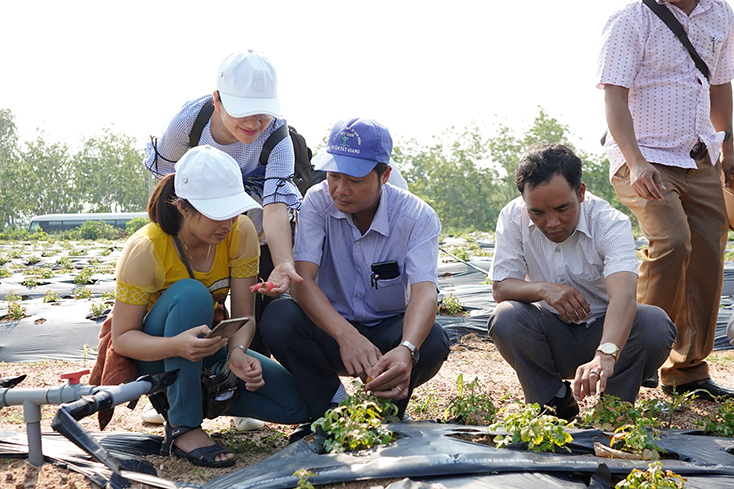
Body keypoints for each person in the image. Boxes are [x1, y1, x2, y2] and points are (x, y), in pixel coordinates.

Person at [112, 145, 308, 467]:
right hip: (159, 355)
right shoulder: (146, 248)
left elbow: (244, 316)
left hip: (204, 349)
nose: (229, 222)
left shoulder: (240, 232)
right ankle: (184, 425)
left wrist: (237, 354)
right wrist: (176, 345)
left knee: (296, 406)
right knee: (192, 295)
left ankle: (209, 394)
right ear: (184, 208)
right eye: (219, 212)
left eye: (234, 210)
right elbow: (123, 338)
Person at [258, 118, 451, 441]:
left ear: (384, 175)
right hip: (330, 329)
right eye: (334, 176)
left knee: (431, 341)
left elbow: (424, 293)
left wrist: (406, 348)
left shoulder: (416, 217)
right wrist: (346, 335)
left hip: (387, 331)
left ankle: (383, 409)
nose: (340, 189)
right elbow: (304, 279)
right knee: (279, 317)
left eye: (355, 180)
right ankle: (330, 409)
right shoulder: (317, 202)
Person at [599, 0, 734, 400]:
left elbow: (721, 84)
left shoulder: (720, 13)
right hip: (645, 157)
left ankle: (686, 371)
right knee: (673, 242)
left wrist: (728, 143)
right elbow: (614, 97)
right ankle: (635, 356)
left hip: (700, 156)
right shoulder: (630, 19)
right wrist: (636, 161)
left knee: (709, 254)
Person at [487, 144, 676, 420]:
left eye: (563, 208)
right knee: (506, 317)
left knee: (654, 324)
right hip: (552, 336)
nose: (551, 222)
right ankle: (553, 401)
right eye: (537, 212)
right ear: (523, 199)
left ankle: (614, 408)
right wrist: (544, 290)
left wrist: (606, 353)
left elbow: (624, 296)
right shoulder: (513, 217)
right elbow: (501, 287)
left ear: (581, 192)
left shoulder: (609, 223)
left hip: (605, 331)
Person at [143, 49, 303, 347]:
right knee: (197, 300)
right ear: (217, 100)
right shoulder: (189, 122)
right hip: (204, 219)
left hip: (257, 222)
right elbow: (169, 180)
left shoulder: (278, 138)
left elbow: (275, 207)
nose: (255, 123)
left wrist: (283, 262)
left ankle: (244, 366)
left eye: (263, 113)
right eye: (244, 111)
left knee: (258, 310)